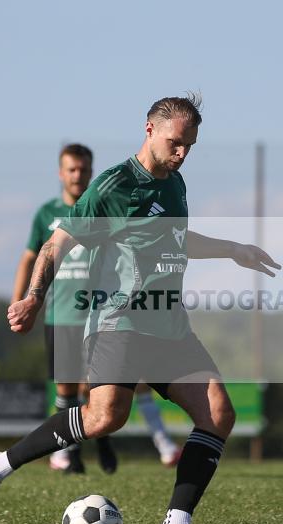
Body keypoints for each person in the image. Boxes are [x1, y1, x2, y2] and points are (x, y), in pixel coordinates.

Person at [0, 93, 280, 524]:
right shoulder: (113, 186)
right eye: (175, 142)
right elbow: (56, 245)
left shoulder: (176, 183)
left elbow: (175, 238)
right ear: (149, 130)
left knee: (218, 413)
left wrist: (233, 249)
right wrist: (33, 298)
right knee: (106, 416)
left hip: (169, 324)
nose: (182, 153)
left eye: (190, 145)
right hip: (120, 319)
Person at [13, 143, 181, 474]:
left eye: (84, 170)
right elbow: (32, 257)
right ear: (61, 173)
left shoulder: (105, 204)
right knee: (66, 388)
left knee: (102, 389)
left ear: (91, 171)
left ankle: (108, 440)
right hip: (61, 313)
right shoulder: (46, 214)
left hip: (102, 312)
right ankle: (66, 454)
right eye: (71, 170)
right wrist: (22, 298)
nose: (78, 176)